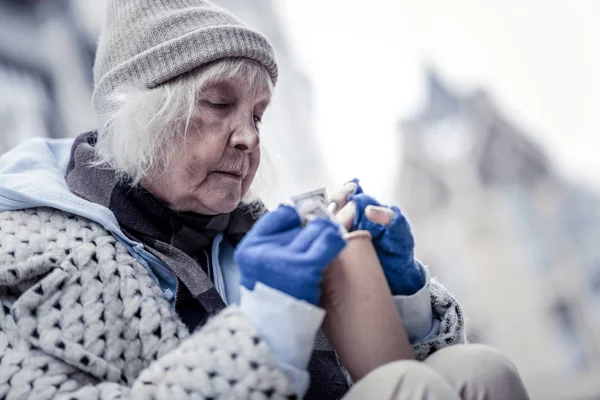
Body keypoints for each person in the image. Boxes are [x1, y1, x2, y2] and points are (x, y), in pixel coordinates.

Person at [0, 0, 530, 399]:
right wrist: (266, 327)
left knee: (482, 372)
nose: (250, 137)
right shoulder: (24, 256)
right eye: (219, 103)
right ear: (144, 116)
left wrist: (402, 301)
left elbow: (396, 363)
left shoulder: (257, 233)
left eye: (256, 114)